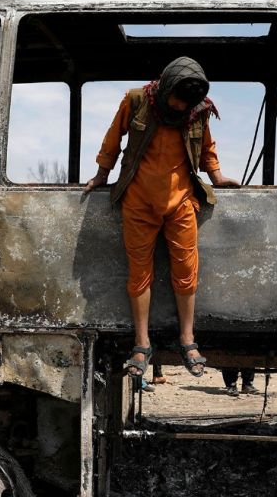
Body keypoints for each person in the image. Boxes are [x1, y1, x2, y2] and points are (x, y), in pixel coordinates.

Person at [83, 57, 239, 381]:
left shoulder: (198, 110)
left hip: (181, 200)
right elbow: (113, 138)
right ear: (167, 87)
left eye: (187, 103)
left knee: (186, 269)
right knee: (140, 273)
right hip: (138, 200)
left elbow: (207, 148)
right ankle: (141, 344)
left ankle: (187, 339)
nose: (181, 107)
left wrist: (218, 176)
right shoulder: (137, 100)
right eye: (178, 100)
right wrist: (101, 175)